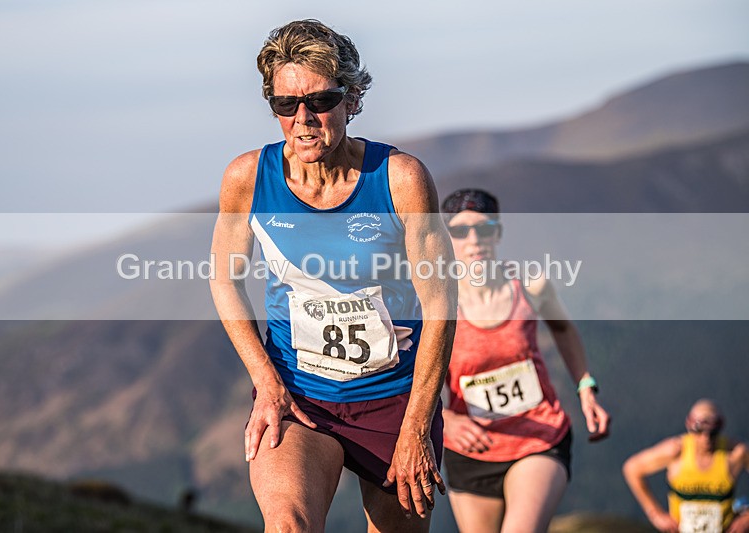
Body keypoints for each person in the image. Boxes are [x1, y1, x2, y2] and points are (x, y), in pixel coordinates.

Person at [209, 19, 456, 532]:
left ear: (352, 98)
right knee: (287, 524)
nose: (303, 119)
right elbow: (224, 280)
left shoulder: (400, 178)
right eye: (284, 104)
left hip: (395, 399)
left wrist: (417, 425)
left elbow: (440, 308)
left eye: (320, 101)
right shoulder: (248, 178)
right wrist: (266, 381)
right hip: (298, 396)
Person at [439, 188, 610, 533]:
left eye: (485, 229)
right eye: (460, 230)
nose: (474, 240)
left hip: (538, 437)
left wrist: (585, 385)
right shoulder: (435, 301)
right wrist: (446, 420)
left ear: (498, 233)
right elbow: (408, 373)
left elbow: (563, 330)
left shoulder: (531, 285)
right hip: (470, 449)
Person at [623, 399, 749, 533]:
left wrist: (746, 519)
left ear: (720, 427)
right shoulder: (676, 451)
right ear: (689, 426)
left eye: (712, 432)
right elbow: (632, 468)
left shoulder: (735, 453)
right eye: (699, 430)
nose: (706, 437)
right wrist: (655, 514)